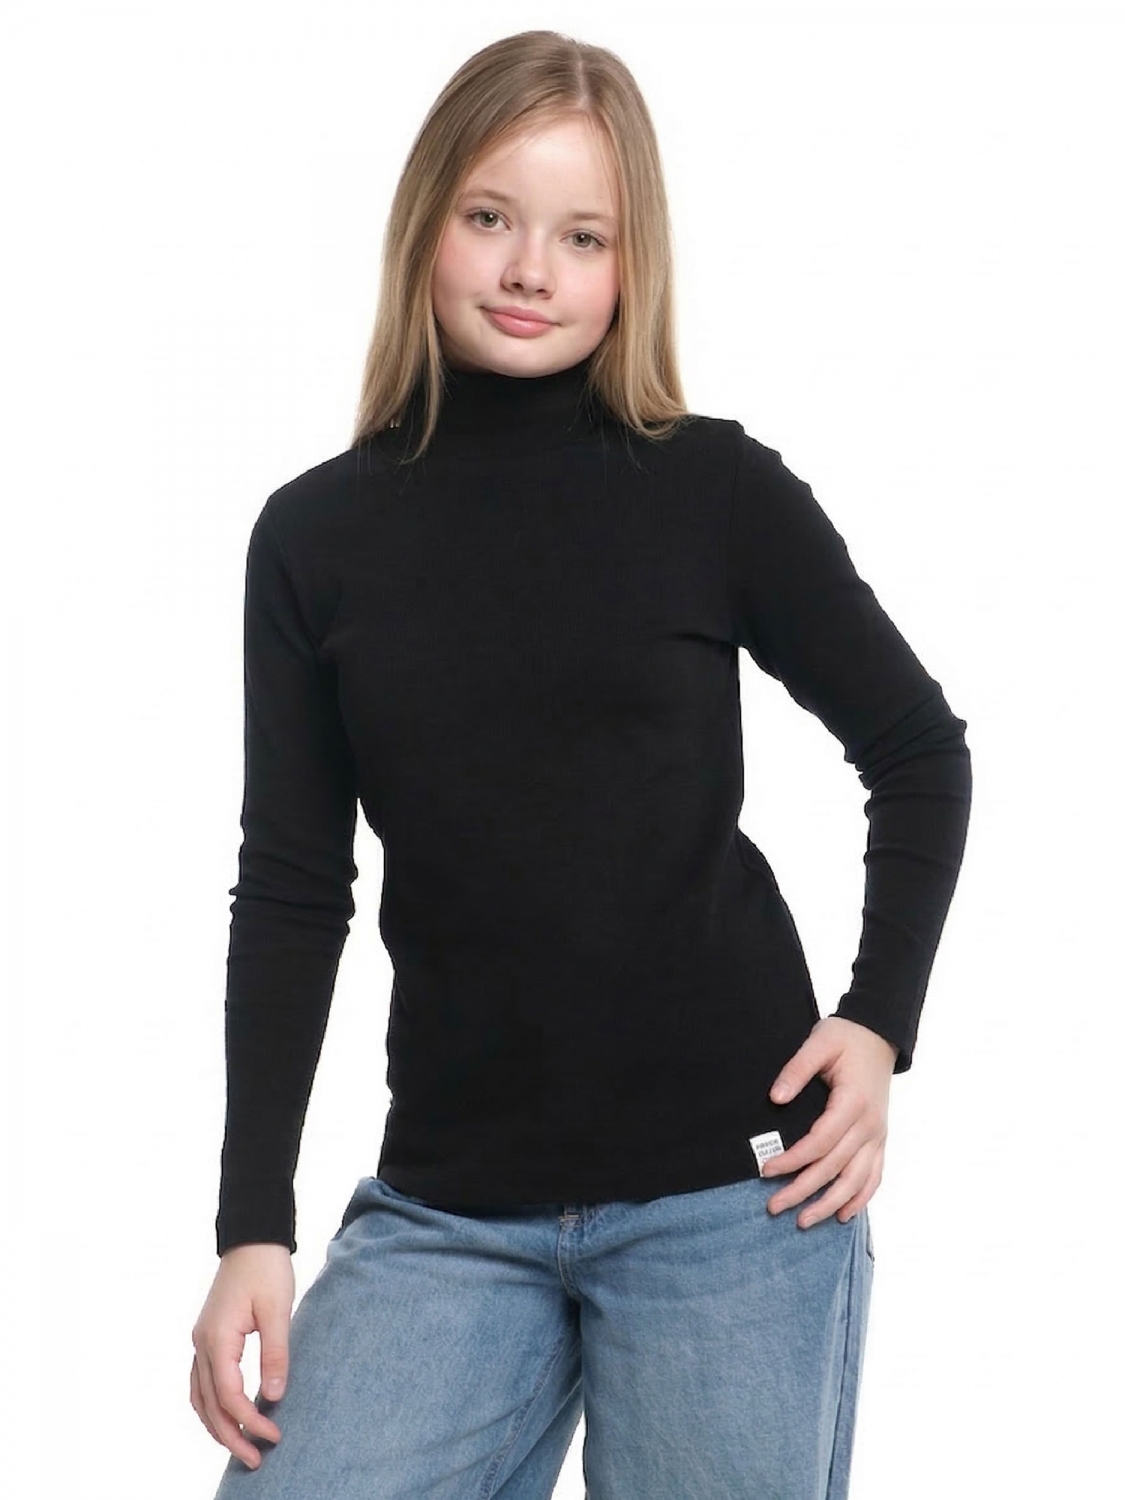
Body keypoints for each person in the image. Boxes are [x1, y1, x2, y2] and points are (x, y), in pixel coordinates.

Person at [190, 29, 972, 1500]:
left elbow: (918, 750)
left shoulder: (714, 488)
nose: (529, 269)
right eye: (490, 216)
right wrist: (252, 1226)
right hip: (447, 1212)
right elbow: (292, 888)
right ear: (425, 223)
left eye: (582, 235)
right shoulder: (312, 538)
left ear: (630, 263)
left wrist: (878, 1024)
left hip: (733, 1196)